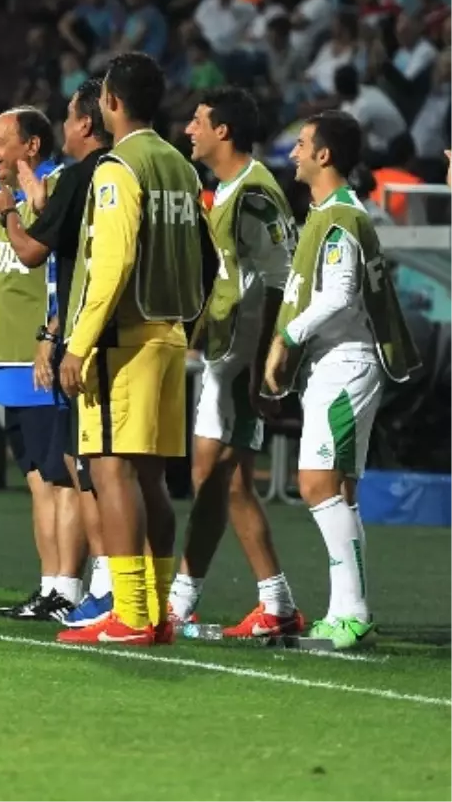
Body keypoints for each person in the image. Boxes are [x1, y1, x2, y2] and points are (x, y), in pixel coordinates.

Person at [56, 52, 205, 645]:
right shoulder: (181, 168)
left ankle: (133, 612)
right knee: (151, 481)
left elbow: (110, 264)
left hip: (124, 341)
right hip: (170, 338)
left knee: (112, 474)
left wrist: (77, 343)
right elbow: (206, 259)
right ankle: (158, 613)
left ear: (111, 102)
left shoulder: (119, 168)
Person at [264, 111, 421, 650]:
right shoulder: (333, 213)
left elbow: (339, 293)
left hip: (347, 361)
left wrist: (287, 336)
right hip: (341, 361)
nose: (294, 154)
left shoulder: (338, 217)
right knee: (339, 491)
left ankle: (352, 611)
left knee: (315, 485)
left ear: (324, 155)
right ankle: (344, 611)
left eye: (302, 144)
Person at [0, 80, 114, 627]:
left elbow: (41, 258)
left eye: (3, 140)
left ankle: (94, 588)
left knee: (78, 474)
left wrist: (51, 338)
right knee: (50, 475)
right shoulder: (64, 184)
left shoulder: (73, 182)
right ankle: (63, 586)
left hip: (59, 351)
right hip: (30, 354)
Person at [168, 88, 304, 636]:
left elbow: (281, 279)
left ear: (223, 131)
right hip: (224, 356)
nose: (189, 131)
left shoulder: (254, 195)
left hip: (243, 362)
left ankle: (238, 602)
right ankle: (267, 603)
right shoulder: (225, 191)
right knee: (215, 478)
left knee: (224, 478)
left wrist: (267, 369)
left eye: (198, 122)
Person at [0, 106, 79, 621]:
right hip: (6, 363)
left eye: (1, 141)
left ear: (31, 147)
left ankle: (69, 588)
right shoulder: (7, 201)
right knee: (36, 481)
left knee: (61, 479)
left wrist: (51, 333)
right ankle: (49, 587)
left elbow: (71, 270)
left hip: (41, 359)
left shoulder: (54, 191)